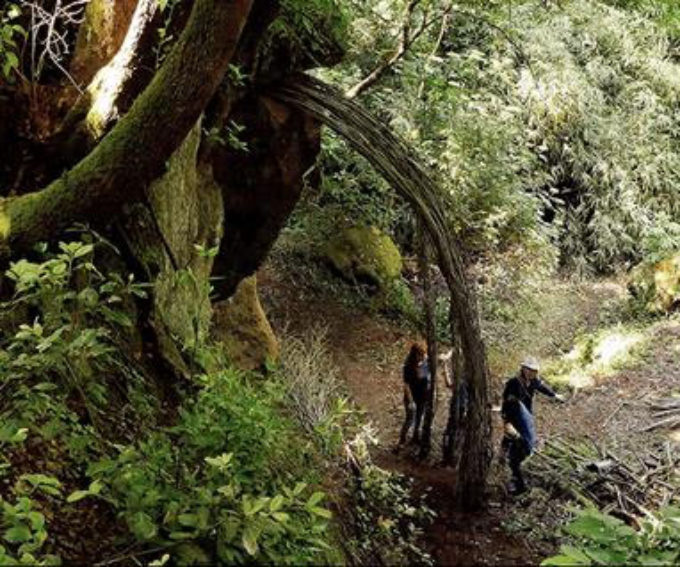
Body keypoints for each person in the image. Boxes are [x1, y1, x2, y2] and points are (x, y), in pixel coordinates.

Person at [501, 356, 565, 495]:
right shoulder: (513, 383)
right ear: (524, 369)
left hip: (526, 419)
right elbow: (507, 404)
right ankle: (513, 479)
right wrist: (506, 422)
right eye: (530, 370)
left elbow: (542, 387)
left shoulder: (533, 381)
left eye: (535, 371)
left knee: (524, 446)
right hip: (514, 420)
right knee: (515, 446)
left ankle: (518, 474)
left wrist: (554, 395)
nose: (532, 373)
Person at [395, 342, 431, 451]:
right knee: (410, 418)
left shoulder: (425, 361)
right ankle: (402, 440)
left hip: (423, 395)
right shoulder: (408, 366)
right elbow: (406, 385)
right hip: (412, 396)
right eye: (419, 355)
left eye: (423, 354)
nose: (421, 357)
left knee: (420, 417)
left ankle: (415, 437)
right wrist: (411, 402)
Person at [440, 349, 469, 466]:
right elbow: (449, 385)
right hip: (456, 407)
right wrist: (445, 367)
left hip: (463, 409)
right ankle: (447, 458)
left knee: (458, 434)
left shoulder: (470, 379)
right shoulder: (461, 377)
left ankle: (452, 460)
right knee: (450, 433)